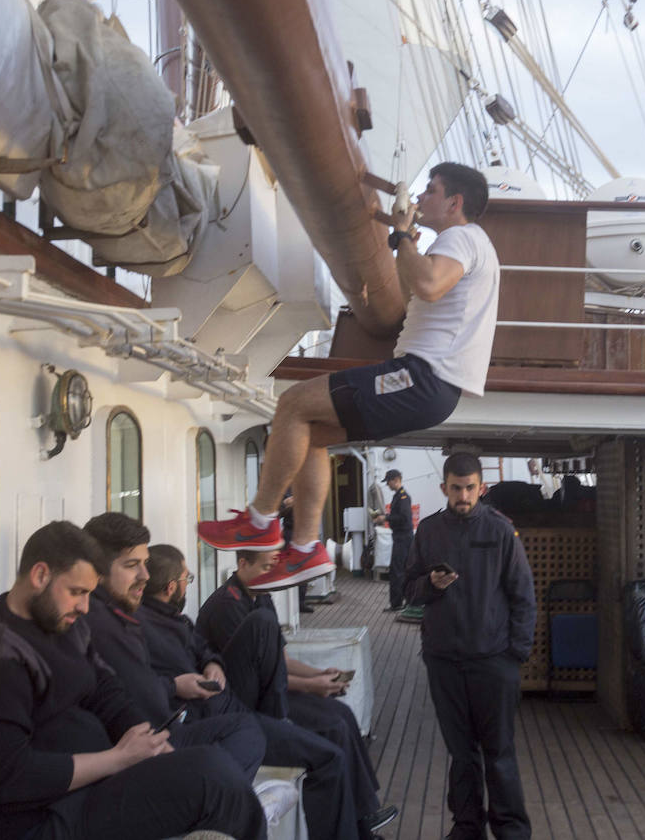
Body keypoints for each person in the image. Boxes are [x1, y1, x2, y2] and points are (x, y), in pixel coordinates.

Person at [198, 162, 499, 591]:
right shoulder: (467, 244)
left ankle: (261, 521)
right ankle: (304, 549)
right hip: (432, 386)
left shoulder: (462, 237)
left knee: (293, 403)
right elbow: (423, 283)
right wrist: (407, 241)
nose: (420, 197)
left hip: (423, 375)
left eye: (430, 190)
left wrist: (400, 236)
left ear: (455, 202)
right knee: (313, 434)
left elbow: (429, 284)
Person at [0, 521, 266, 840]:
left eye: (89, 594)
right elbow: (11, 775)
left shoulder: (64, 623)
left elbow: (106, 691)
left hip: (100, 784)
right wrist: (118, 759)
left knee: (216, 763)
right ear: (40, 575)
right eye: (76, 592)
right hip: (44, 817)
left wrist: (147, 741)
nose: (84, 606)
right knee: (212, 780)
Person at [80, 513, 368, 840]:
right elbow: (135, 697)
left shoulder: (165, 620)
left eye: (144, 565)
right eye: (132, 565)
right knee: (314, 748)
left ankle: (359, 820)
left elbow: (201, 648)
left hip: (212, 712)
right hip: (187, 723)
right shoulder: (119, 625)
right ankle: (238, 798)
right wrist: (175, 686)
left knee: (331, 723)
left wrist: (211, 663)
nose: (143, 575)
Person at [141, 543, 398, 840]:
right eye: (265, 567)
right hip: (238, 706)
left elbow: (268, 659)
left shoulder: (208, 613)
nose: (269, 574)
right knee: (332, 735)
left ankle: (362, 817)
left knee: (342, 715)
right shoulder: (224, 605)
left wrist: (317, 675)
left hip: (241, 704)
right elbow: (259, 671)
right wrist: (312, 687)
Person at [403, 452, 537, 840]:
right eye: (456, 488)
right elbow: (407, 589)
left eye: (470, 488)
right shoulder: (428, 532)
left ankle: (511, 831)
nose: (463, 495)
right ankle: (466, 828)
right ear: (444, 488)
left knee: (499, 752)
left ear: (481, 487)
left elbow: (523, 596)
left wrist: (516, 656)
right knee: (461, 754)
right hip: (444, 660)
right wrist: (430, 585)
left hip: (494, 661)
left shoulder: (499, 530)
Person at [372, 469, 414, 612]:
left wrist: (386, 518)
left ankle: (397, 604)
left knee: (397, 571)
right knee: (402, 570)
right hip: (402, 538)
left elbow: (404, 518)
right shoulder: (399, 496)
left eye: (389, 482)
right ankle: (404, 601)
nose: (388, 485)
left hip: (403, 539)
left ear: (395, 480)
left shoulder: (402, 497)